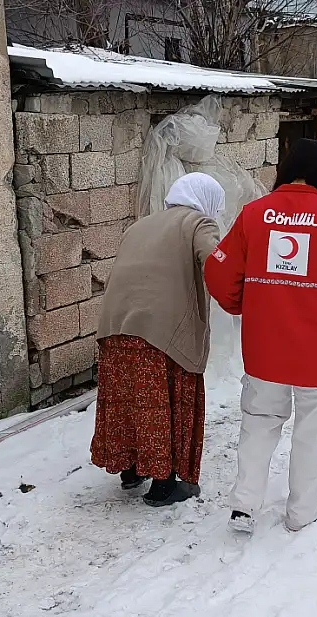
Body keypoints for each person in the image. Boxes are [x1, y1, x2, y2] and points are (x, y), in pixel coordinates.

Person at [204, 138, 317, 533]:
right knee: (313, 432)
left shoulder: (254, 215)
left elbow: (217, 270)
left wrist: (241, 302)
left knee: (258, 423)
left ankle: (244, 506)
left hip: (264, 351)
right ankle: (302, 513)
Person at [91, 172, 223, 507]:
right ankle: (164, 486)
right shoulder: (198, 223)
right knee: (160, 403)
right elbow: (215, 261)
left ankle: (132, 470)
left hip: (115, 327)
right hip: (159, 333)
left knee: (130, 398)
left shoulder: (139, 226)